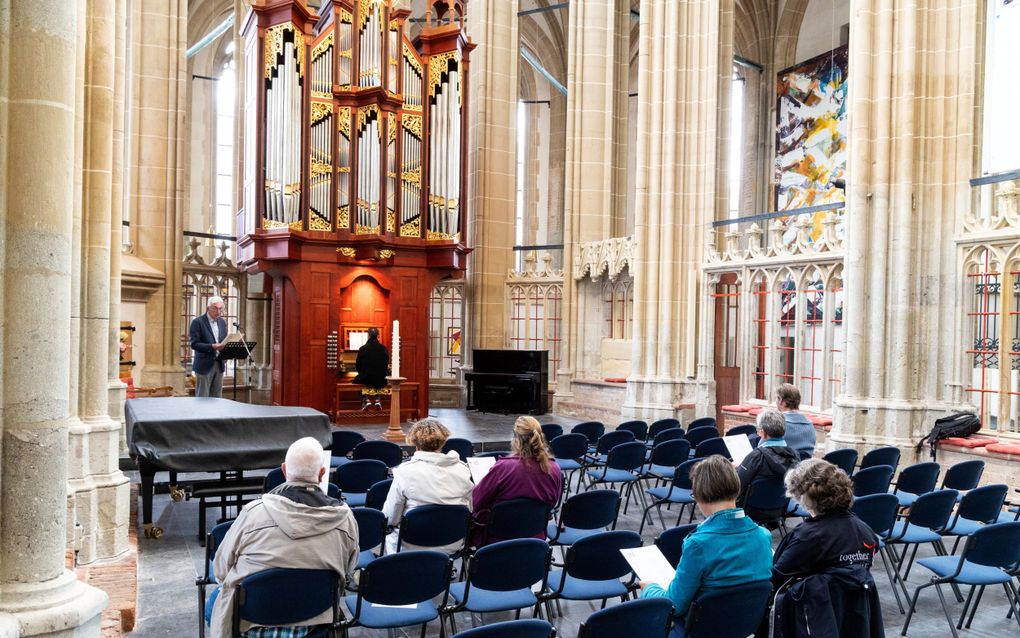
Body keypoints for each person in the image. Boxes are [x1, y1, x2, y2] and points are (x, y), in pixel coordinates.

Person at [209, 437, 358, 638]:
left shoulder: (253, 512)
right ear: (323, 474)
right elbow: (347, 572)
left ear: (284, 470)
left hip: (251, 623)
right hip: (315, 624)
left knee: (214, 603)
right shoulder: (345, 517)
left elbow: (221, 570)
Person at [640, 455, 772, 635]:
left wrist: (649, 588)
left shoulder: (698, 544)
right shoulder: (763, 536)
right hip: (743, 628)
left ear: (700, 495)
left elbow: (674, 605)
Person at [772, 458, 878, 585]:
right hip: (854, 602)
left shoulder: (808, 536)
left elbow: (777, 578)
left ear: (804, 496)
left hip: (814, 601)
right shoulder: (866, 532)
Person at [382, 418, 473, 554]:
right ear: (443, 442)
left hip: (412, 544)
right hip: (452, 542)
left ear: (415, 443)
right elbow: (469, 507)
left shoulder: (405, 471)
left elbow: (391, 515)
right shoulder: (463, 468)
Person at [471, 415, 562, 546]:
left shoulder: (503, 468)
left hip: (497, 538)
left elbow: (477, 500)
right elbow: (552, 503)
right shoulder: (554, 468)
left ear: (516, 439)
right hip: (534, 537)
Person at [736, 408, 800, 523]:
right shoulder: (795, 455)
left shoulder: (756, 457)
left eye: (758, 430)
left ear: (763, 432)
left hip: (751, 511)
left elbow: (737, 484)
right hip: (780, 509)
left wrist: (738, 467)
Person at [190, 296, 228, 397]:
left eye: (220, 309)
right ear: (208, 308)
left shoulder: (222, 322)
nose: (218, 311)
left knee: (217, 398)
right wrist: (212, 346)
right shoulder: (197, 322)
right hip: (204, 365)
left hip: (219, 364)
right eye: (215, 308)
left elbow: (223, 340)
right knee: (203, 398)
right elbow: (194, 344)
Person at [775, 383, 816, 459]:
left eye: (777, 398)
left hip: (783, 468)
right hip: (805, 468)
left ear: (781, 400)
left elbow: (762, 450)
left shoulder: (777, 424)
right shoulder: (810, 425)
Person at [353, 327, 389, 410]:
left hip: (367, 377)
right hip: (382, 378)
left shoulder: (363, 348)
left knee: (356, 382)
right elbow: (386, 363)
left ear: (368, 336)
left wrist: (362, 372)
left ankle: (365, 400)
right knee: (378, 380)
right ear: (378, 336)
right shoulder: (383, 348)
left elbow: (358, 365)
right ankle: (377, 400)